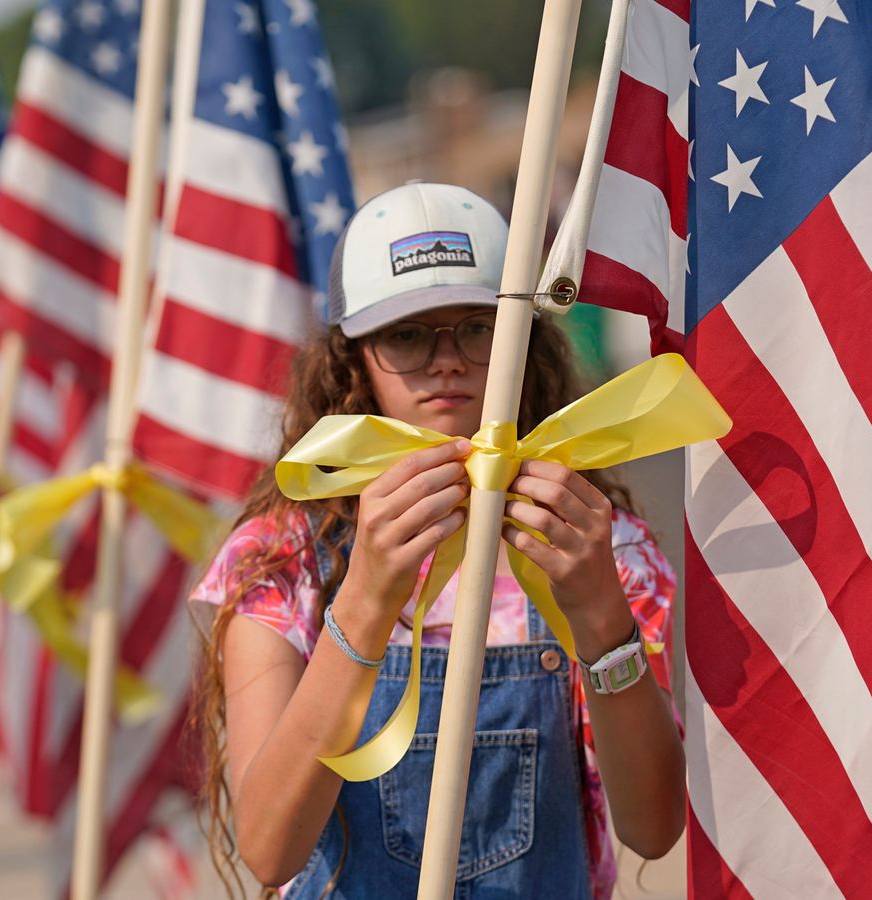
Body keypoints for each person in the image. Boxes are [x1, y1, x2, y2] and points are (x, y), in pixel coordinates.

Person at [190, 183, 686, 898]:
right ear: (353, 359)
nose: (446, 360)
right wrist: (364, 598)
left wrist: (602, 617)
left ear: (524, 341)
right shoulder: (281, 559)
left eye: (477, 329)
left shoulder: (595, 542)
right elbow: (267, 850)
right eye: (408, 334)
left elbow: (653, 825)